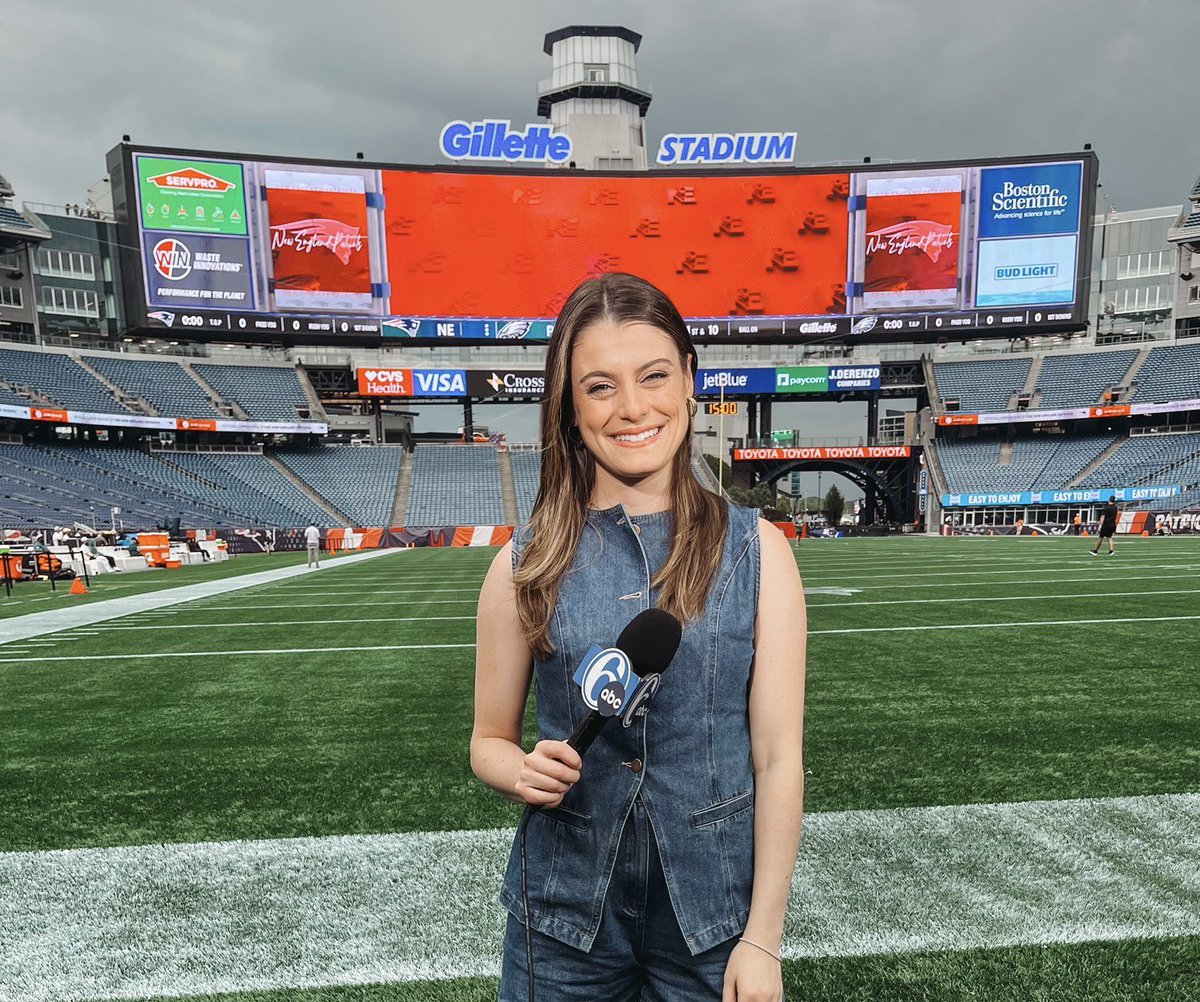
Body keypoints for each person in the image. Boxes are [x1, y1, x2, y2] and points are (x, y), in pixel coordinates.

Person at [471, 273, 807, 1001]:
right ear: (567, 404)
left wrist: (763, 939)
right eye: (599, 386)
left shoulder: (759, 552)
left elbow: (779, 759)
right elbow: (487, 740)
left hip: (713, 923)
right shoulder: (522, 564)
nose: (631, 408)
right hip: (560, 923)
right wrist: (518, 769)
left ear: (689, 378)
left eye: (653, 376)